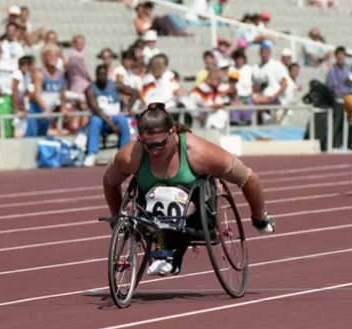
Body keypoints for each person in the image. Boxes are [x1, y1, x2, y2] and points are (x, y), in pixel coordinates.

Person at [102, 102, 275, 276]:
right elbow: (110, 182)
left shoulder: (199, 152)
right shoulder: (130, 156)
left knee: (178, 201)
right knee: (157, 210)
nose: (154, 151)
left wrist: (259, 219)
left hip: (195, 211)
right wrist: (118, 217)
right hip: (152, 213)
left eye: (160, 144)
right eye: (148, 145)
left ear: (173, 132)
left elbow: (250, 179)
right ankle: (164, 252)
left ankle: (169, 254)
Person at [83, 64, 142, 167]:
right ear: (96, 75)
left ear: (107, 75)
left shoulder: (115, 85)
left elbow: (135, 93)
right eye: (99, 75)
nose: (102, 77)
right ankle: (91, 153)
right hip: (102, 119)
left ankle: (123, 153)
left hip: (115, 117)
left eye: (104, 74)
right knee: (95, 120)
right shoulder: (91, 89)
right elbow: (96, 110)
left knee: (123, 120)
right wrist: (112, 125)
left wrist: (129, 106)